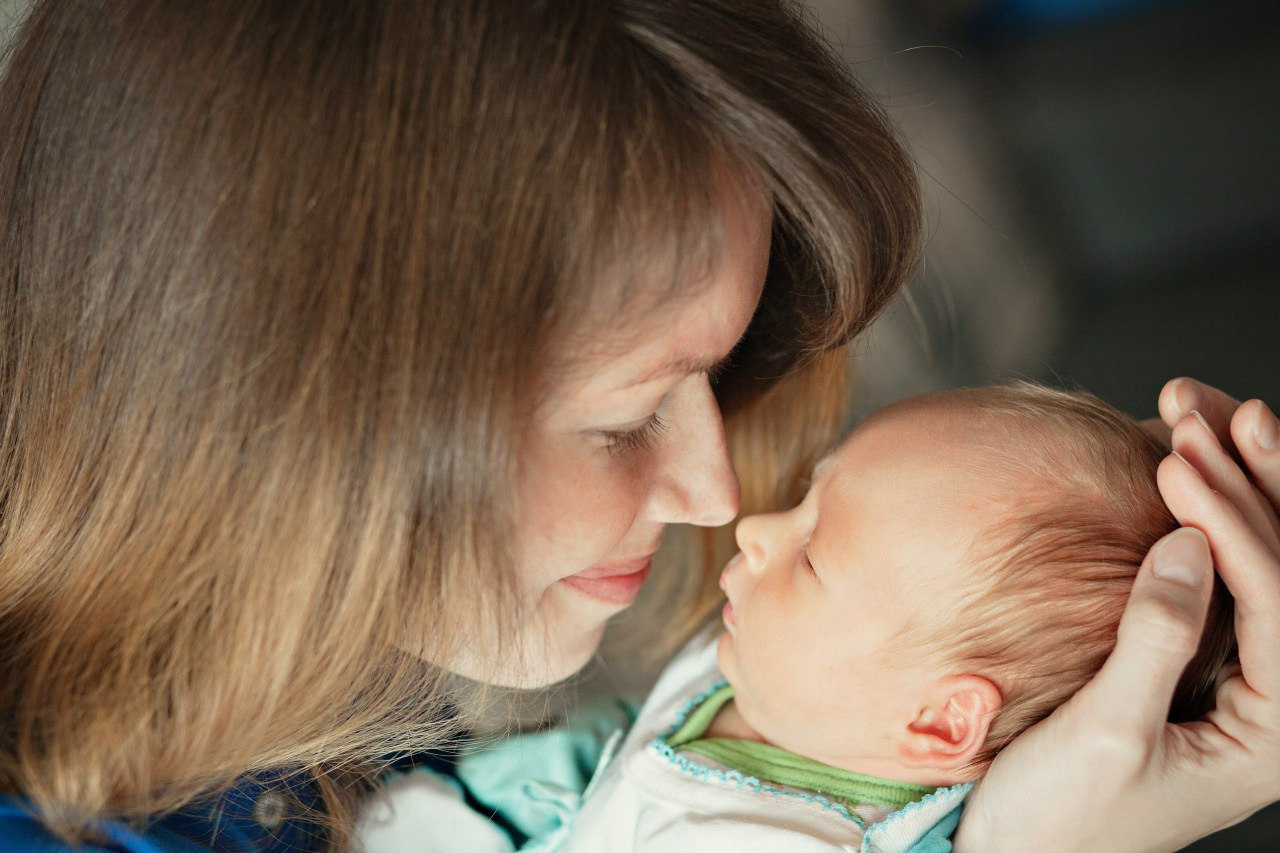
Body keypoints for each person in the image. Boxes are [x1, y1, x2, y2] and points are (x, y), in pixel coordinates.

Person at [0, 2, 1276, 853]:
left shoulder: (358, 689)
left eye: (715, 380)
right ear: (281, 411)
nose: (715, 497)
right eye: (621, 420)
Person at [551, 384, 1235, 852]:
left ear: (936, 721)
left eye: (813, 555)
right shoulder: (799, 688)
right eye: (803, 497)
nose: (754, 528)